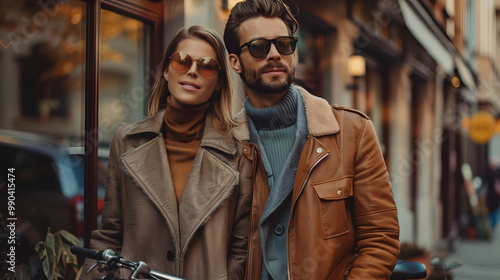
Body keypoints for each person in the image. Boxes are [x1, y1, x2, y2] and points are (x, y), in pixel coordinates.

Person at [224, 0, 400, 279]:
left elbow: (380, 238)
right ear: (235, 62)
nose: (274, 55)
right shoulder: (223, 143)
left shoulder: (352, 132)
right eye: (259, 47)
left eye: (283, 44)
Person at [81, 25, 252, 280]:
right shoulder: (127, 142)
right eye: (182, 61)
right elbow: (109, 235)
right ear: (165, 71)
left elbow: (241, 249)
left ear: (218, 82)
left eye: (206, 65)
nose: (192, 71)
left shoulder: (239, 152)